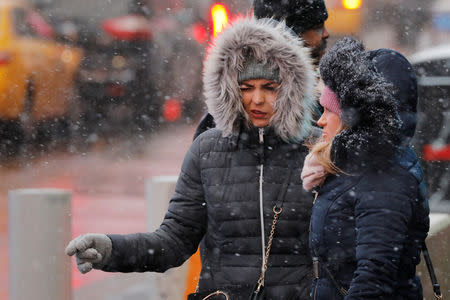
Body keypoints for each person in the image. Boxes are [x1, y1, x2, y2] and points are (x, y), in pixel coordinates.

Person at [66, 17, 318, 299]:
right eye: (246, 88)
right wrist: (112, 249)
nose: (257, 99)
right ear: (231, 90)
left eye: (269, 88)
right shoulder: (207, 150)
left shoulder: (317, 150)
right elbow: (174, 240)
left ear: (289, 90)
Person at [301, 37, 429, 299]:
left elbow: (373, 278)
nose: (321, 121)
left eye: (329, 110)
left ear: (355, 118)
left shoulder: (385, 177)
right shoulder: (357, 169)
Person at [193, 0, 330, 139]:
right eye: (318, 27)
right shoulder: (222, 121)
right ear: (288, 35)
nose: (326, 33)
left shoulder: (326, 100)